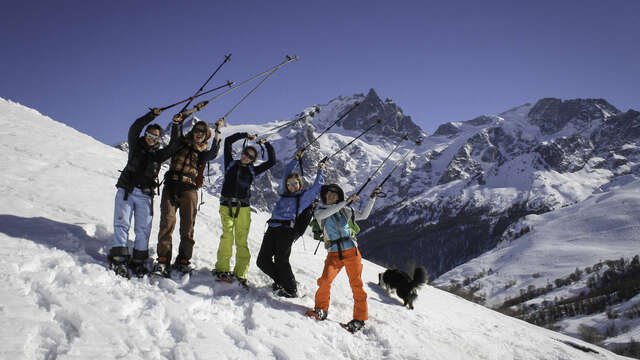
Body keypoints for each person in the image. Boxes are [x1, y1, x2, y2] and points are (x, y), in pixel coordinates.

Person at [109, 107, 181, 278]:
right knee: (122, 224)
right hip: (126, 191)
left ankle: (138, 261)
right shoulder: (135, 145)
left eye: (155, 137)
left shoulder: (159, 154)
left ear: (158, 139)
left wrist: (177, 125)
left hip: (145, 195)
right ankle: (119, 258)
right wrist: (152, 115)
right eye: (149, 135)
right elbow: (135, 127)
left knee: (143, 229)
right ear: (146, 134)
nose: (151, 138)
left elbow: (174, 146)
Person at [305, 184, 382, 333]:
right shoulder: (320, 211)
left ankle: (359, 319)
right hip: (333, 254)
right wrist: (345, 202)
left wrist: (372, 198)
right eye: (328, 193)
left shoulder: (345, 211)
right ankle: (321, 310)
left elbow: (363, 216)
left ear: (339, 196)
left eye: (334, 193)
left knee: (356, 285)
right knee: (325, 281)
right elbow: (325, 214)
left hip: (351, 251)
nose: (330, 195)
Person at [153, 115, 224, 277]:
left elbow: (214, 152)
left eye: (203, 131)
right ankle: (163, 260)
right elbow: (175, 134)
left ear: (206, 135)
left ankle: (184, 260)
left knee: (187, 227)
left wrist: (218, 130)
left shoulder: (203, 153)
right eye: (197, 130)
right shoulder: (179, 144)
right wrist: (177, 122)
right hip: (171, 186)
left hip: (189, 190)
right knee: (167, 223)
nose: (199, 133)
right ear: (192, 132)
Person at [257, 149, 324, 297]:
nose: (292, 186)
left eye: (295, 183)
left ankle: (291, 289)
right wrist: (296, 158)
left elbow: (317, 187)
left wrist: (320, 171)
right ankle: (284, 282)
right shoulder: (284, 193)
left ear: (300, 184)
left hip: (286, 231)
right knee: (262, 260)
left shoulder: (303, 197)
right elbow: (287, 171)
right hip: (272, 228)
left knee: (281, 260)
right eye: (289, 184)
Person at [213, 132, 275, 285]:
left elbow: (272, 161)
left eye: (251, 156)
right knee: (227, 237)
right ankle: (222, 269)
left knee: (241, 240)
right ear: (242, 152)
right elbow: (227, 141)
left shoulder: (253, 170)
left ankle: (240, 273)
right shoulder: (230, 163)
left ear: (254, 160)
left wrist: (266, 144)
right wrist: (244, 135)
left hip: (243, 208)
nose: (246, 157)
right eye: (245, 153)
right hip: (226, 205)